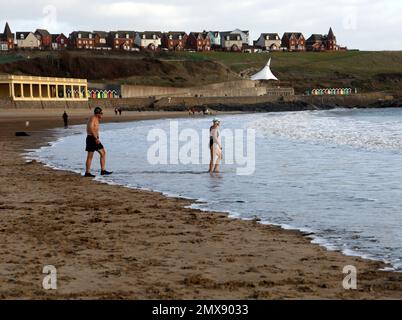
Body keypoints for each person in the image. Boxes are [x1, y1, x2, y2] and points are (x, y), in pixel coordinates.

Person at [84, 107, 113, 177]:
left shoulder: (95, 118)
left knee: (102, 153)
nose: (102, 115)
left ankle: (102, 170)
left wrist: (97, 137)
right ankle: (88, 172)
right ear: (98, 113)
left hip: (92, 138)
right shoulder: (93, 118)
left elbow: (95, 129)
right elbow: (91, 128)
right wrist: (96, 138)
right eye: (101, 113)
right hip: (92, 138)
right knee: (92, 156)